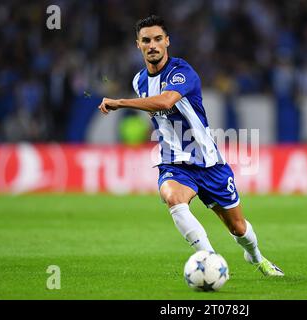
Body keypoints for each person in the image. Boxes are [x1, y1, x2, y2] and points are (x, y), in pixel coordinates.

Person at [98, 15, 284, 276]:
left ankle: (257, 259)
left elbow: (164, 102)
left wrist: (119, 102)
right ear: (138, 45)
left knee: (239, 229)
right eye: (146, 40)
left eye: (158, 39)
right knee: (173, 198)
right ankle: (210, 260)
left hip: (209, 163)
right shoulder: (139, 80)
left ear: (167, 42)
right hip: (174, 161)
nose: (153, 45)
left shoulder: (182, 72)